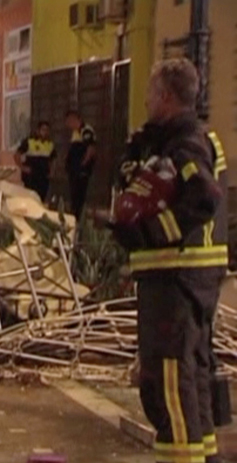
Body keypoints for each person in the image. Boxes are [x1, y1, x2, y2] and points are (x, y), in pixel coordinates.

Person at [96, 58, 226, 463]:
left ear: (166, 96)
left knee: (169, 378)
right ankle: (202, 455)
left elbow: (204, 198)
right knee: (191, 373)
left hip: (177, 275)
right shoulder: (176, 139)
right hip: (188, 276)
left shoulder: (185, 143)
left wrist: (149, 233)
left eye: (151, 93)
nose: (147, 101)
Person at [64, 110, 97, 219]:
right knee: (74, 196)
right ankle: (74, 216)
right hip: (74, 170)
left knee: (79, 196)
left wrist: (82, 165)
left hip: (80, 171)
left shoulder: (86, 130)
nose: (67, 124)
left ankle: (78, 218)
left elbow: (91, 149)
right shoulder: (75, 133)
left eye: (69, 121)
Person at [15, 121, 56, 201]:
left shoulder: (50, 144)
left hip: (43, 175)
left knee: (42, 197)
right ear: (37, 130)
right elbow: (17, 155)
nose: (45, 132)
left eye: (47, 130)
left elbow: (53, 159)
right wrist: (22, 167)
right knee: (30, 197)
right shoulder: (29, 141)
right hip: (31, 174)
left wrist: (52, 171)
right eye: (43, 130)